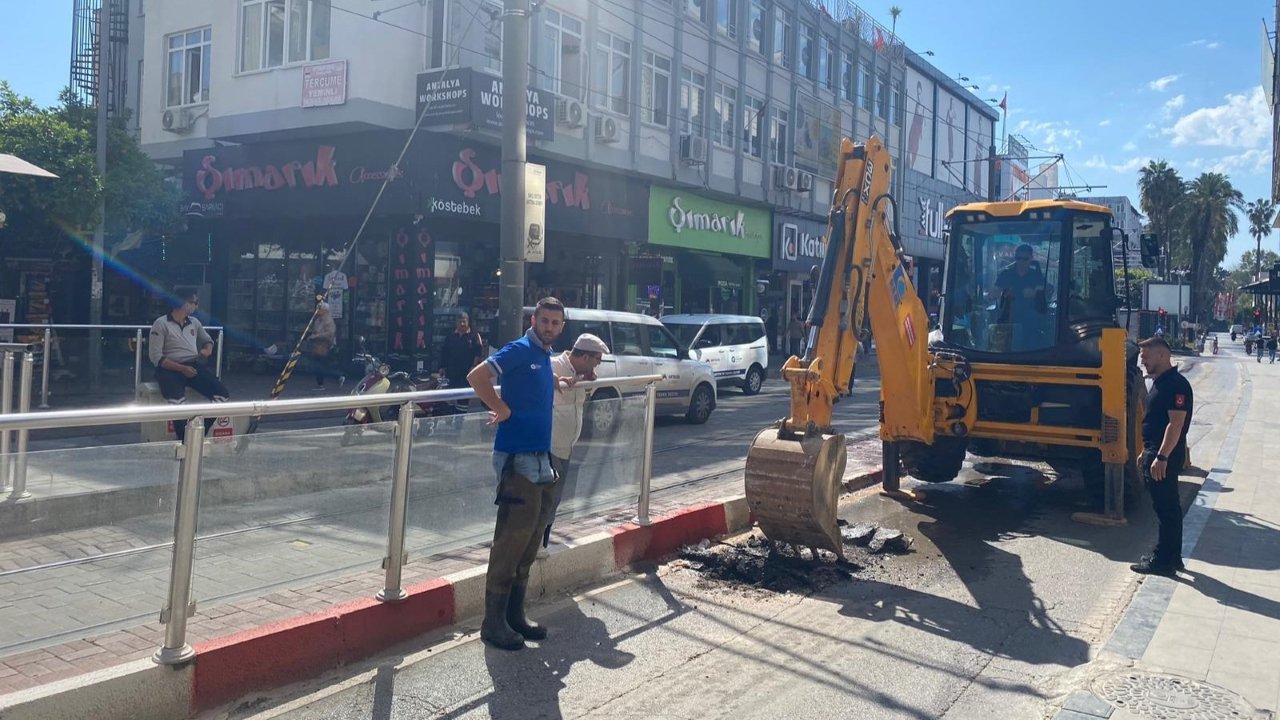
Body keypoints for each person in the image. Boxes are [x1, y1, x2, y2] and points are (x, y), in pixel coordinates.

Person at [467, 297, 569, 651]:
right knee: (511, 541)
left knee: (529, 541)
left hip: (540, 457)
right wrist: (500, 408)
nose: (549, 327)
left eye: (555, 323)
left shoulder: (542, 355)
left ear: (562, 326)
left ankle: (514, 616)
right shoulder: (520, 348)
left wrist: (557, 381)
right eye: (545, 321)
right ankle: (493, 623)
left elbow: (534, 380)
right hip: (517, 458)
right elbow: (477, 376)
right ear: (534, 320)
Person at [540, 333, 609, 558]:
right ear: (585, 357)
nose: (597, 365)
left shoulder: (580, 373)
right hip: (550, 444)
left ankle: (543, 544)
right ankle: (537, 546)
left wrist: (586, 379)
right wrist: (553, 379)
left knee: (555, 499)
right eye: (597, 360)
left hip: (567, 445)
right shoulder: (552, 365)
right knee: (546, 498)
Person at [1131, 335, 1193, 576]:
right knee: (1166, 508)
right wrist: (1145, 452)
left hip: (1164, 457)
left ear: (1162, 355)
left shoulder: (1176, 385)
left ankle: (1163, 561)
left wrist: (1162, 457)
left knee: (1166, 510)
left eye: (1146, 356)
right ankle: (1172, 557)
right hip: (1155, 453)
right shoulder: (1161, 383)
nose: (1143, 361)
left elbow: (1175, 424)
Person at [149, 290, 230, 441]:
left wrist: (207, 350)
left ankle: (199, 433)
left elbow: (208, 340)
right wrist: (181, 369)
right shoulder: (161, 323)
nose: (196, 306)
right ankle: (185, 440)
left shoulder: (194, 322)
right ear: (183, 303)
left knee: (222, 394)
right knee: (178, 402)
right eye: (194, 302)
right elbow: (156, 357)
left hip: (192, 365)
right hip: (169, 368)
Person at [994, 244, 1048, 349]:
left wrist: (1034, 293)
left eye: (1025, 259)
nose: (1021, 261)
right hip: (1008, 320)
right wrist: (1004, 293)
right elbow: (995, 292)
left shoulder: (1036, 276)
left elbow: (1043, 294)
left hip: (1031, 322)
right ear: (1015, 258)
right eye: (1019, 258)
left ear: (1031, 258)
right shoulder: (1005, 274)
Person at [439, 312, 485, 391]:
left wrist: (474, 366)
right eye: (460, 322)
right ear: (456, 323)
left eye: (464, 321)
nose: (462, 324)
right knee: (450, 393)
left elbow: (478, 352)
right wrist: (442, 367)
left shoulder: (474, 335)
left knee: (465, 395)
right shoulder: (450, 335)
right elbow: (444, 351)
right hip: (452, 371)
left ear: (468, 321)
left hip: (467, 372)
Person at [307, 301, 342, 390]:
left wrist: (316, 336)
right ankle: (335, 377)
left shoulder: (329, 320)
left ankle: (325, 382)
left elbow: (329, 333)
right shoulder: (318, 320)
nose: (317, 310)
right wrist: (312, 336)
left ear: (325, 310)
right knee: (321, 365)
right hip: (318, 345)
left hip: (325, 345)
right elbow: (315, 330)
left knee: (320, 365)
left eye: (319, 309)